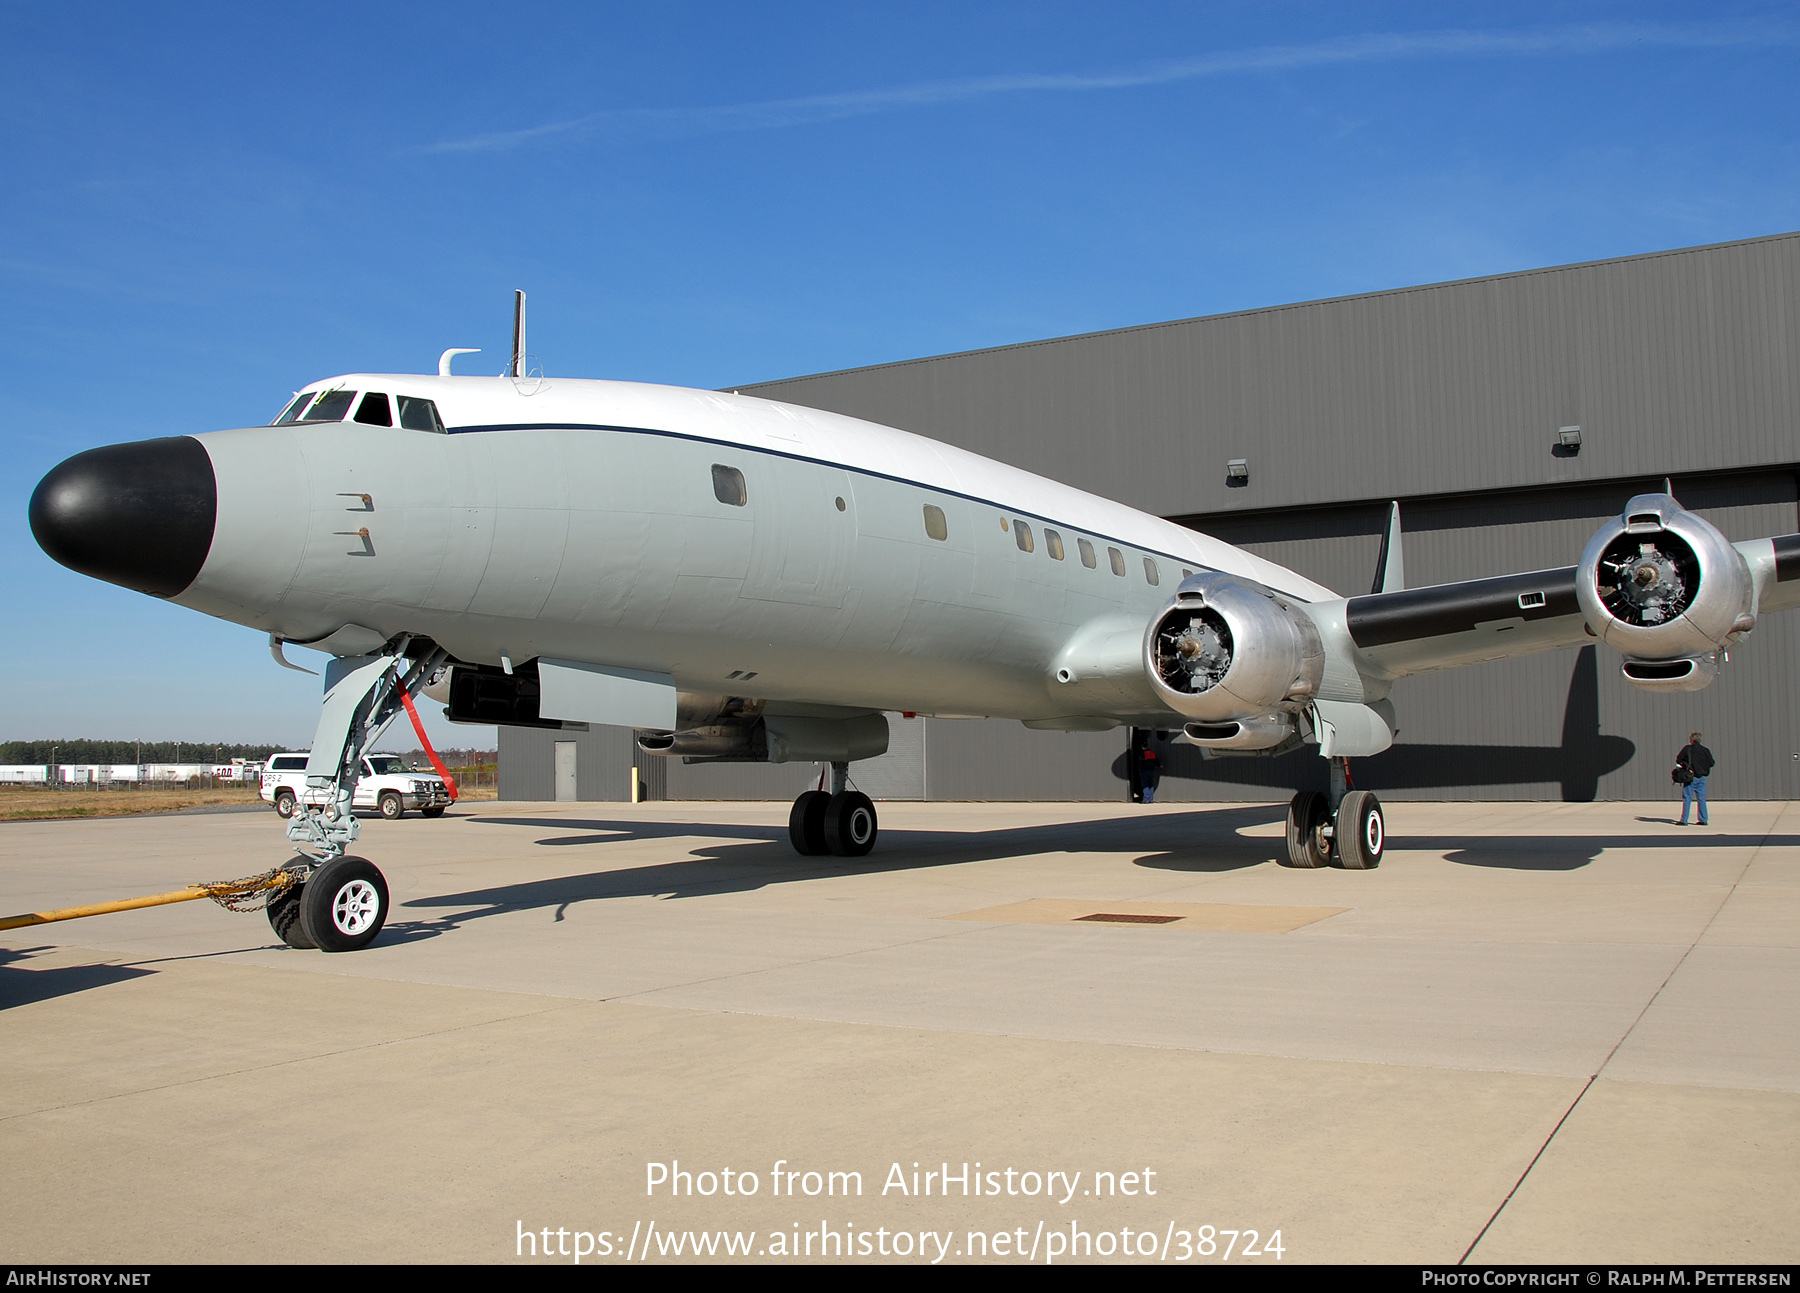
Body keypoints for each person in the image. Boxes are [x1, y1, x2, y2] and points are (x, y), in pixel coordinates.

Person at [1676, 732, 1714, 826]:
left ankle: (1684, 820)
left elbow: (1678, 759)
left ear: (1692, 739)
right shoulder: (1705, 750)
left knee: (1687, 798)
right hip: (1702, 778)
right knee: (1701, 799)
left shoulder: (1687, 749)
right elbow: (1712, 763)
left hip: (1690, 777)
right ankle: (1703, 819)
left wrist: (1686, 765)